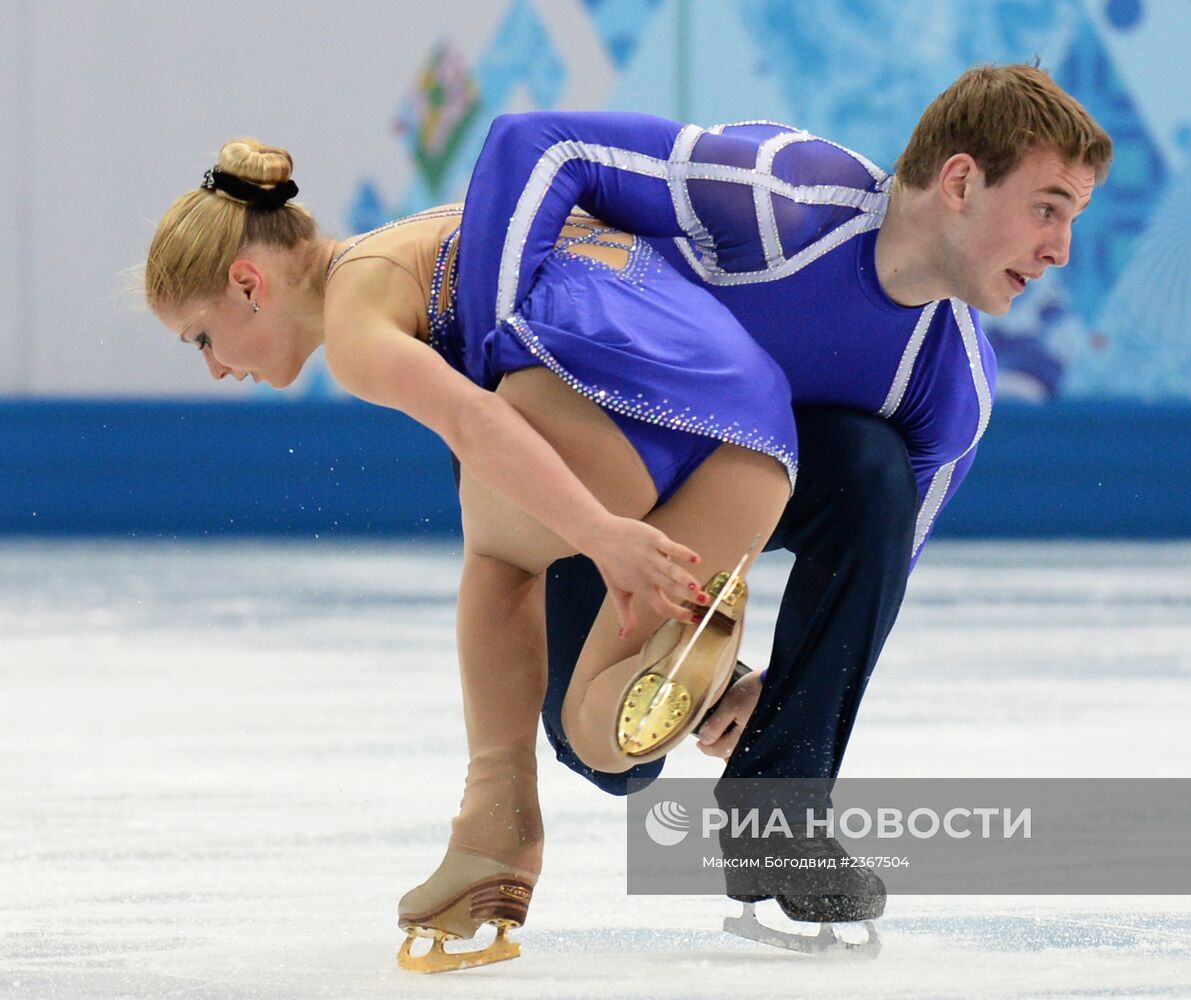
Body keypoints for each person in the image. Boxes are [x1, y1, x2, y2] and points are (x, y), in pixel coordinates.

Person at [454, 63, 1111, 946]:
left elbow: (878, 576)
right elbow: (534, 143)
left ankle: (779, 819)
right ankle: (674, 662)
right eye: (1048, 207)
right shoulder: (774, 204)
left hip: (728, 500)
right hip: (600, 484)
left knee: (874, 470)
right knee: (612, 763)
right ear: (959, 182)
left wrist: (777, 693)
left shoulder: (951, 384)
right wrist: (487, 383)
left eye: (1072, 217)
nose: (1062, 246)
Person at [145, 151, 802, 971]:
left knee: (497, 562)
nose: (213, 365)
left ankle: (494, 837)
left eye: (201, 336)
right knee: (599, 733)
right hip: (759, 433)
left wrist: (600, 535)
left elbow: (475, 425)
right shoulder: (430, 230)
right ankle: (711, 672)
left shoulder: (355, 317)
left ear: (248, 283)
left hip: (625, 404)